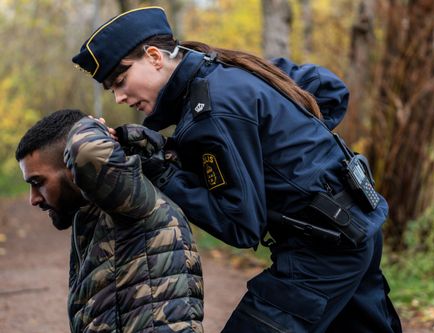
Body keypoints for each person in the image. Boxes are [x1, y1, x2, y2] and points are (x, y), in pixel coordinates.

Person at [72, 6, 402, 333]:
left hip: (323, 252)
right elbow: (329, 90)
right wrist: (296, 150)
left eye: (120, 80)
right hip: (358, 227)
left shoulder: (212, 111)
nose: (118, 97)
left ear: (155, 57)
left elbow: (239, 225)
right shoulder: (230, 70)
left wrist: (162, 173)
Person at [15, 109, 203, 333]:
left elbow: (86, 151)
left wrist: (88, 127)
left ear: (73, 167)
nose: (33, 199)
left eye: (38, 182)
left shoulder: (131, 200)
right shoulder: (96, 214)